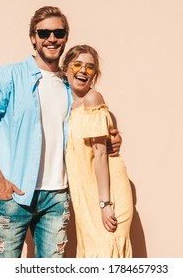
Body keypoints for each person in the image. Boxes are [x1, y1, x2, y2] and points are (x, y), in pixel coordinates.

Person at [0, 6, 121, 258]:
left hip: (57, 197)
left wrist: (112, 138)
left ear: (65, 37)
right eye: (44, 33)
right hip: (13, 197)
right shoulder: (9, 76)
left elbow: (88, 124)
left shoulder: (69, 83)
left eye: (58, 32)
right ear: (33, 37)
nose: (52, 39)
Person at [62, 45, 133, 258]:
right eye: (77, 64)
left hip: (106, 193)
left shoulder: (92, 99)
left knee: (106, 253)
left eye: (90, 68)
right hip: (87, 192)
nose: (83, 70)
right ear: (65, 68)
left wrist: (105, 204)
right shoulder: (69, 104)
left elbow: (100, 154)